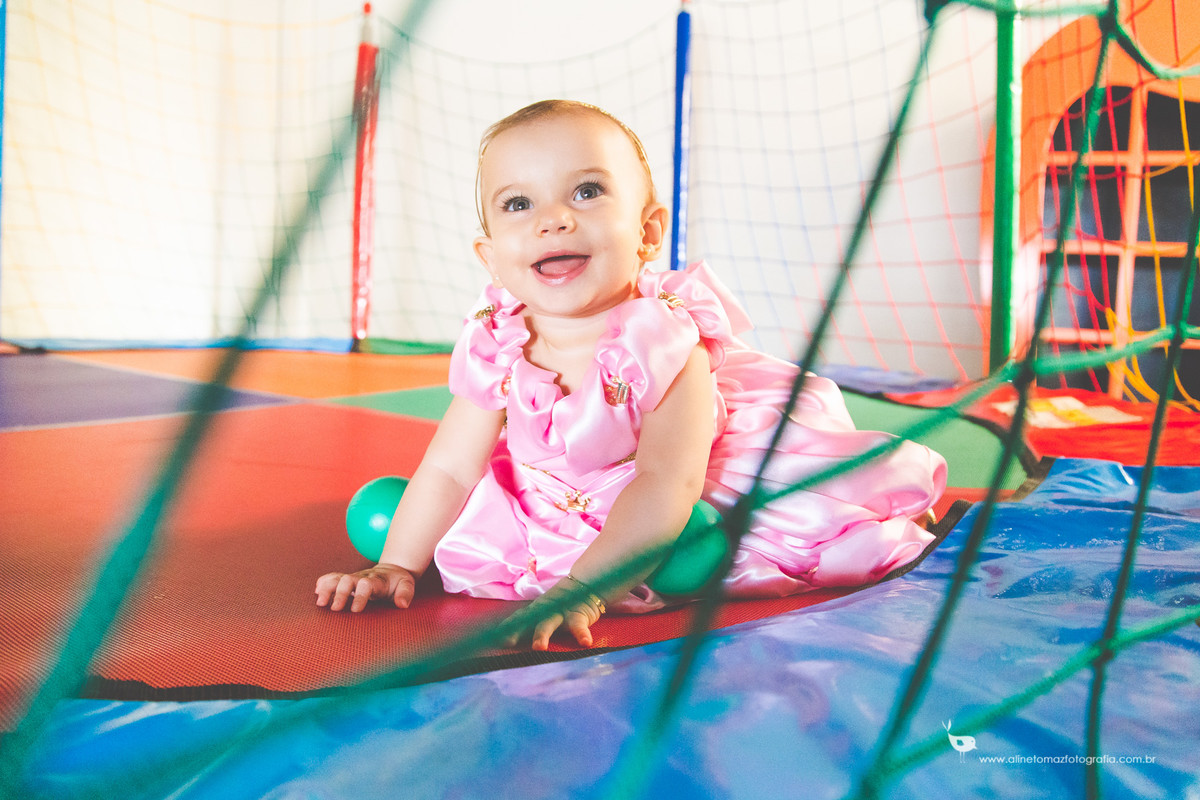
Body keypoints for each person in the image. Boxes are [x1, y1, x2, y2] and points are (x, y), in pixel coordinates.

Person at [315, 99, 947, 650]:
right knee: (394, 515)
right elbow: (451, 466)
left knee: (700, 543)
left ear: (647, 233)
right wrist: (395, 565)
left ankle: (632, 565)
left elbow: (667, 479)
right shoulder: (498, 340)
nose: (553, 218)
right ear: (491, 258)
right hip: (549, 497)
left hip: (655, 498)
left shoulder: (664, 342)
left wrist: (583, 590)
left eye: (587, 192)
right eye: (518, 203)